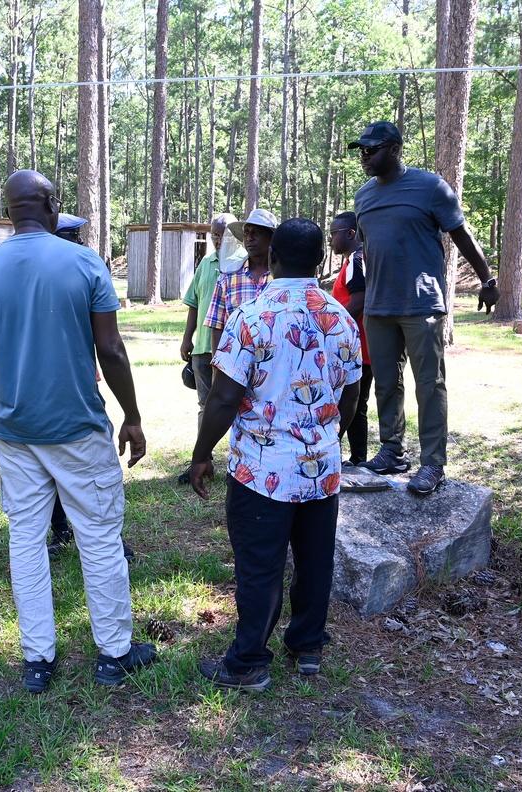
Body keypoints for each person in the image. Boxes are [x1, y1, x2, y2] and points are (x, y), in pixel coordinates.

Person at [0, 169, 157, 693]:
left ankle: (37, 660)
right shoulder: (84, 263)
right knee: (97, 536)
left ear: (8, 211)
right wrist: (132, 416)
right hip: (76, 428)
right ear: (50, 204)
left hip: (13, 430)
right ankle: (114, 652)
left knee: (25, 540)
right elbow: (110, 350)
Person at [190, 218, 362, 691]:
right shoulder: (341, 318)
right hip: (322, 469)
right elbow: (351, 395)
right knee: (314, 560)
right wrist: (327, 435)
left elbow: (224, 398)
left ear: (277, 257)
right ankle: (307, 646)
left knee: (260, 566)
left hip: (261, 471)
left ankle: (247, 662)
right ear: (321, 260)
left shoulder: (252, 316)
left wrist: (201, 454)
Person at [349, 121, 499, 494]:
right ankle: (391, 450)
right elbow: (368, 248)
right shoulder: (363, 197)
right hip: (379, 307)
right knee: (385, 383)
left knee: (430, 385)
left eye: (373, 148)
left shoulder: (431, 187)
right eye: (362, 150)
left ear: (396, 149)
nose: (365, 155)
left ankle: (433, 463)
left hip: (421, 305)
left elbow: (462, 235)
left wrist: (488, 279)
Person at [46, 212, 135, 563]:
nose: (81, 244)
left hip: (74, 380)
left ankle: (92, 534)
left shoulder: (83, 270)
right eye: (74, 237)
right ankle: (66, 531)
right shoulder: (77, 269)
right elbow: (110, 345)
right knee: (87, 469)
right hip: (67, 394)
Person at [178, 212, 244, 485]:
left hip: (235, 351)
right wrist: (187, 338)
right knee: (206, 405)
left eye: (223, 234)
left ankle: (240, 463)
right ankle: (205, 459)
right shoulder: (206, 263)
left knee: (239, 406)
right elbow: (194, 303)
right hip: (204, 348)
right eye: (214, 234)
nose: (218, 240)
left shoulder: (244, 263)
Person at [329, 211, 374, 465]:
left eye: (333, 233)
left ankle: (357, 459)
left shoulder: (358, 260)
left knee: (354, 403)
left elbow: (358, 302)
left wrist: (332, 328)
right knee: (356, 405)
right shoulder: (352, 261)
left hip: (359, 346)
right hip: (356, 345)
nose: (331, 239)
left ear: (350, 233)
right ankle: (357, 458)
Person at [204, 209, 279, 358]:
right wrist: (217, 366)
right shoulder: (228, 276)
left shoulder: (281, 278)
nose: (249, 238)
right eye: (246, 233)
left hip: (274, 364)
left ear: (271, 238)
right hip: (235, 361)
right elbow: (217, 324)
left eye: (256, 233)